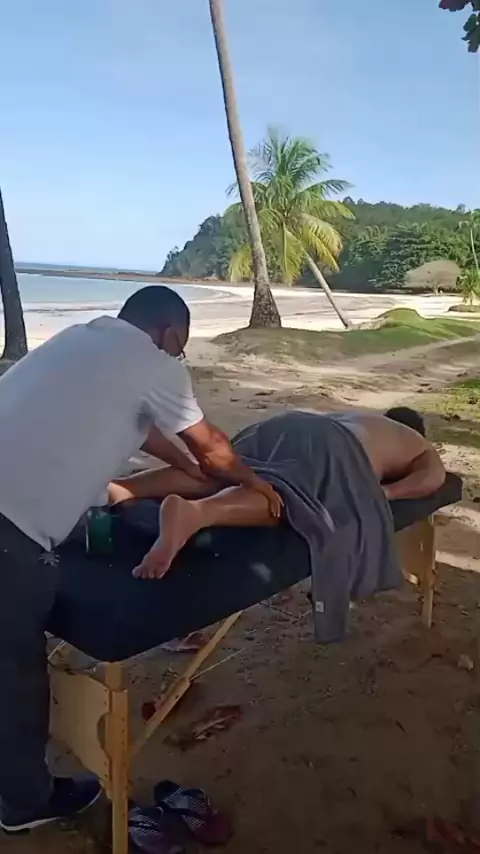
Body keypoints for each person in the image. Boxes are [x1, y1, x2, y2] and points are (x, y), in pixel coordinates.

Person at [0, 285, 280, 833]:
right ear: (170, 335)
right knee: (13, 674)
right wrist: (252, 482)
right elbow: (212, 445)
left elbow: (146, 427)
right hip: (10, 533)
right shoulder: (155, 363)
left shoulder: (77, 340)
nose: (179, 357)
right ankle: (24, 803)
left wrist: (191, 467)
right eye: (181, 348)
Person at [108, 406, 445, 580]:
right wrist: (386, 493)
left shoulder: (363, 418)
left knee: (219, 473)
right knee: (289, 497)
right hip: (335, 446)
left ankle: (122, 488)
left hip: (289, 424)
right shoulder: (416, 442)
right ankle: (196, 514)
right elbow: (433, 478)